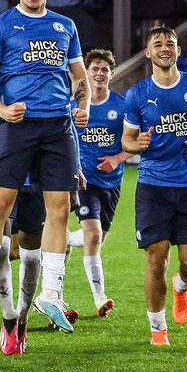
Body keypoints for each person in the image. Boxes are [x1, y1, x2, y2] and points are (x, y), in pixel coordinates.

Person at [0, 0, 89, 355]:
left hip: (58, 129)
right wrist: (2, 109)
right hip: (15, 128)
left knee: (60, 209)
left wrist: (83, 103)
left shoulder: (65, 26)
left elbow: (80, 78)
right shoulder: (1, 26)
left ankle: (52, 294)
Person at [122, 26, 187, 347]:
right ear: (148, 52)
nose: (165, 48)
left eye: (170, 43)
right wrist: (137, 144)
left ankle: (182, 287)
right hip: (153, 187)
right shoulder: (136, 94)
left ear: (179, 50)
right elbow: (126, 140)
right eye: (157, 44)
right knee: (156, 258)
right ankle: (158, 329)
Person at [70, 49, 131, 317]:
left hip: (112, 183)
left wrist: (118, 158)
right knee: (93, 236)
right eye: (94, 68)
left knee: (95, 239)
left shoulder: (122, 105)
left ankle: (63, 239)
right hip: (83, 181)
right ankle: (99, 298)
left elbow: (137, 140)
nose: (99, 73)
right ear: (87, 73)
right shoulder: (74, 105)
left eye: (104, 69)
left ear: (111, 74)